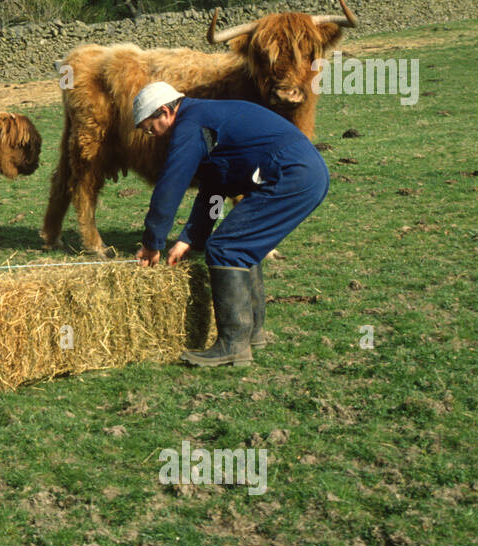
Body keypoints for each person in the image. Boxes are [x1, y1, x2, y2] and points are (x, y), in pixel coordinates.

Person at [131, 82, 330, 367]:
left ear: (164, 111)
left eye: (149, 128)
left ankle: (233, 344)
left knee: (227, 248)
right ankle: (253, 334)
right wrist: (190, 239)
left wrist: (152, 243)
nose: (150, 136)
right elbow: (215, 187)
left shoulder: (189, 124)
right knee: (241, 246)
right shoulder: (205, 118)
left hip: (292, 174)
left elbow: (169, 187)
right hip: (305, 171)